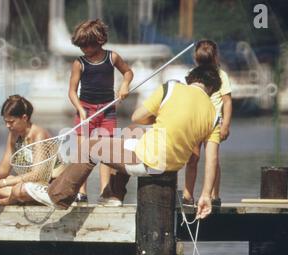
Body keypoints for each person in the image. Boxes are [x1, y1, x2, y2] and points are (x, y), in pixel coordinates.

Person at [25, 65, 222, 219]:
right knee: (130, 132)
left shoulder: (171, 88)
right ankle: (113, 195)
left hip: (148, 160)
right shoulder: (214, 115)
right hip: (170, 167)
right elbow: (212, 159)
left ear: (190, 80)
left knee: (90, 146)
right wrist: (205, 195)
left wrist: (160, 115)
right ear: (211, 89)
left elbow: (138, 116)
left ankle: (57, 196)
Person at [69, 19, 134, 206]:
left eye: (86, 45)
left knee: (106, 152)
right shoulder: (79, 63)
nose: (84, 49)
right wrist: (80, 109)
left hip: (107, 109)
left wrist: (124, 85)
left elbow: (128, 72)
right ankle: (81, 193)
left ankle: (106, 191)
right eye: (81, 46)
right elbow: (72, 91)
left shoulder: (112, 57)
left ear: (98, 41)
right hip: (86, 109)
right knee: (82, 151)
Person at [0, 95, 65, 205]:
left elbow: (37, 175)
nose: (7, 126)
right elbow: (4, 169)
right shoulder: (14, 134)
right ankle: (17, 198)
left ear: (24, 118)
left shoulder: (38, 134)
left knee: (18, 189)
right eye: (6, 122)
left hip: (51, 186)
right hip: (30, 185)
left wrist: (2, 183)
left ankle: (4, 201)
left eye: (11, 122)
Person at [183, 40, 232, 208]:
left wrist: (225, 124)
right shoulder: (192, 74)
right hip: (195, 121)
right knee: (192, 158)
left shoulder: (221, 75)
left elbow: (227, 101)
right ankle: (187, 195)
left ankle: (213, 195)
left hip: (214, 122)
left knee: (213, 160)